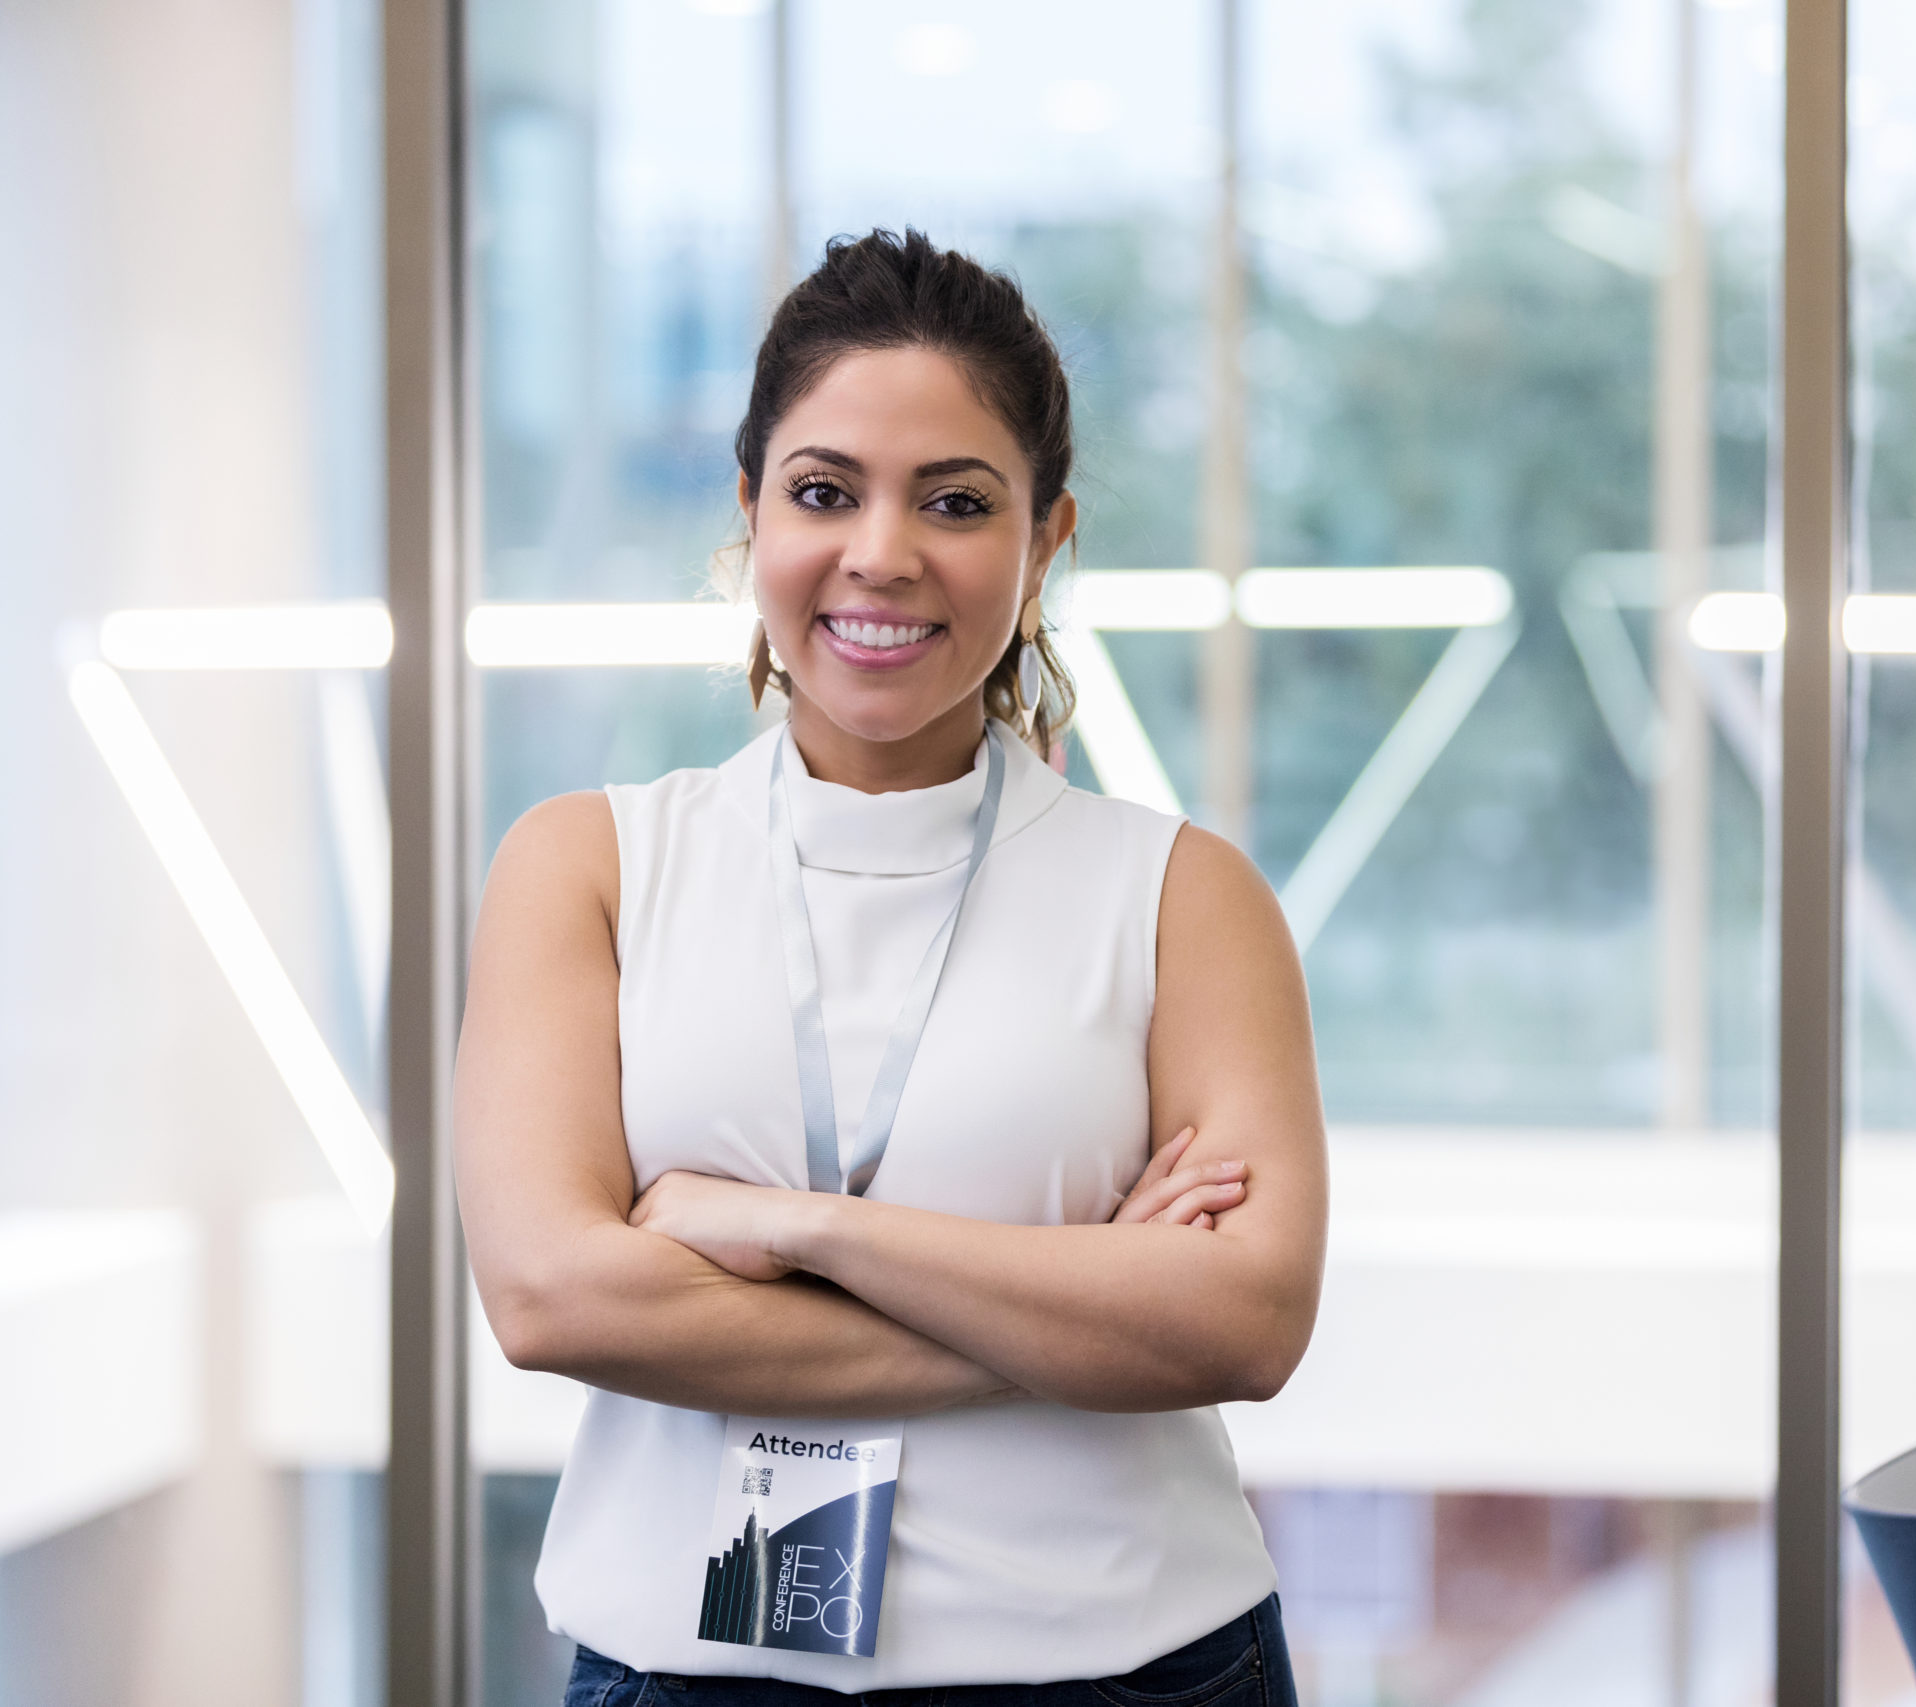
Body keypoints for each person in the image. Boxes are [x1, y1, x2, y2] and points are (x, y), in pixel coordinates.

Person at [455, 227, 1325, 1707]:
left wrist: (791, 1229)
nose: (881, 553)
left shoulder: (1183, 895)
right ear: (749, 516)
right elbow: (555, 1299)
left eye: (957, 501)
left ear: (1046, 537)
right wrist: (1089, 1308)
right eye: (822, 492)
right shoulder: (586, 864)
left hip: (1129, 1672)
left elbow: (1244, 1321)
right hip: (683, 1675)